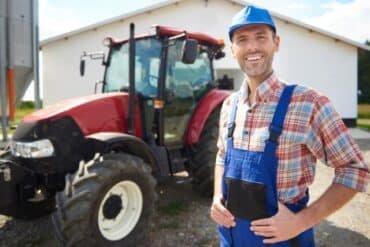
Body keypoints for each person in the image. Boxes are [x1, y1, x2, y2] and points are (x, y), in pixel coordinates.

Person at [210, 5, 370, 247]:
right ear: (233, 49)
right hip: (231, 238)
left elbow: (354, 169)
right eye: (242, 39)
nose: (252, 47)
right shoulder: (229, 106)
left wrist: (302, 221)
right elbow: (222, 156)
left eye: (260, 37)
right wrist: (215, 196)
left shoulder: (308, 103)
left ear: (276, 43)